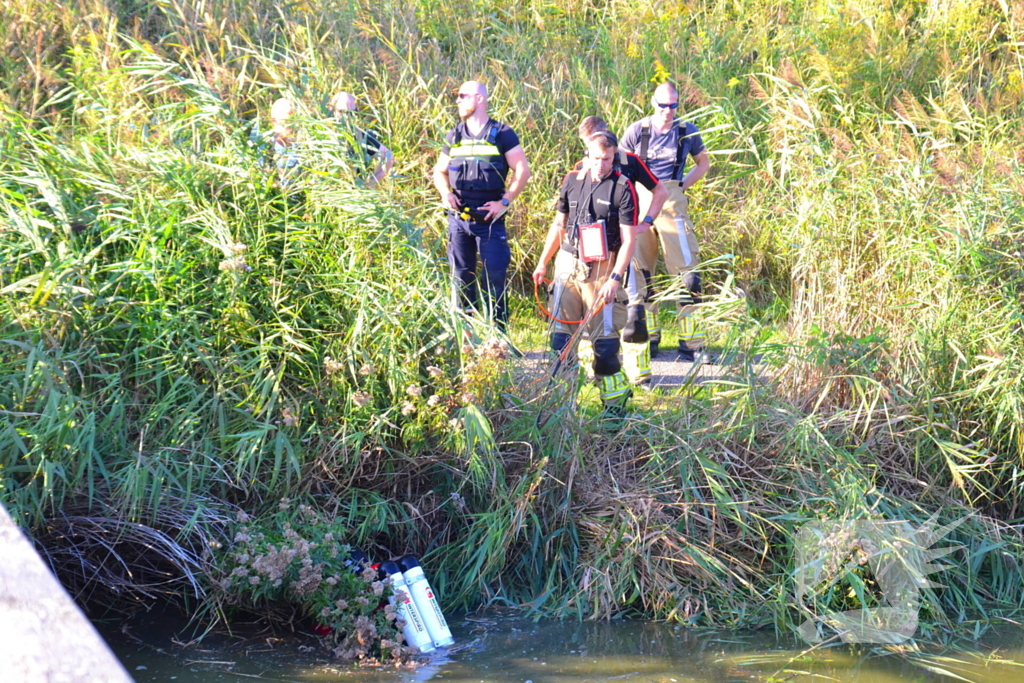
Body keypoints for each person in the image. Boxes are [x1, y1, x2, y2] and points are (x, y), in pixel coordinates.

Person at [532, 130, 638, 418]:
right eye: (595, 158)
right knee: (560, 343)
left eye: (606, 159)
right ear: (587, 155)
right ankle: (563, 411)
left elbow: (629, 241)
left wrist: (615, 279)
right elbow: (559, 224)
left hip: (604, 267)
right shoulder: (572, 181)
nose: (600, 165)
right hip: (569, 260)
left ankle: (615, 410)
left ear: (614, 155)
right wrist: (543, 262)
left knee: (604, 349)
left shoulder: (623, 187)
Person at [573, 116, 668, 389]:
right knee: (592, 307)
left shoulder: (630, 162)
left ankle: (640, 374)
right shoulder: (582, 168)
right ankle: (594, 371)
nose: (598, 158)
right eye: (589, 148)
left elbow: (659, 191)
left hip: (627, 242)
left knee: (635, 305)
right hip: (596, 250)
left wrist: (646, 223)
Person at [620, 82, 712, 362]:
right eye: (663, 105)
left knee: (688, 275)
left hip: (672, 200)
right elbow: (620, 167)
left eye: (673, 105)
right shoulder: (638, 130)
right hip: (640, 200)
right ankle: (648, 338)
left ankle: (692, 344)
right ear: (653, 103)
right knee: (640, 273)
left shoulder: (687, 131)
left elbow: (703, 163)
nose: (668, 111)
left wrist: (681, 186)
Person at [433, 81, 530, 332]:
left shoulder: (502, 133)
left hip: (489, 217)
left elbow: (522, 170)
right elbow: (439, 172)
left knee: (494, 276)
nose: (457, 100)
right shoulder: (454, 135)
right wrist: (446, 193)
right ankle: (467, 338)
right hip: (458, 217)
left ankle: (497, 336)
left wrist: (505, 202)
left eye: (462, 96)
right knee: (461, 276)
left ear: (479, 99)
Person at [327, 91, 394, 186]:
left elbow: (388, 157)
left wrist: (372, 181)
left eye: (350, 113)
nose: (346, 117)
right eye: (342, 111)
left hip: (352, 192)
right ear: (331, 109)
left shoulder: (360, 136)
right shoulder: (320, 133)